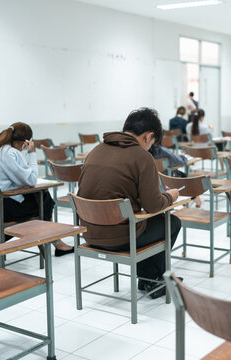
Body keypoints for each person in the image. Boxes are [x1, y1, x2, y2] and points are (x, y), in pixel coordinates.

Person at [77, 108, 181, 299]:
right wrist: (171, 196)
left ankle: (148, 278)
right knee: (171, 223)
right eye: (153, 143)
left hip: (88, 233)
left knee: (143, 224)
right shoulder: (142, 156)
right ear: (149, 136)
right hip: (119, 238)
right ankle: (153, 280)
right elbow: (152, 206)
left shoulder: (95, 150)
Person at [0, 122, 73, 255]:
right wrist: (32, 154)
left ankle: (55, 242)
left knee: (41, 199)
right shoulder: (10, 153)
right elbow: (32, 180)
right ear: (25, 142)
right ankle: (56, 243)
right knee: (44, 198)